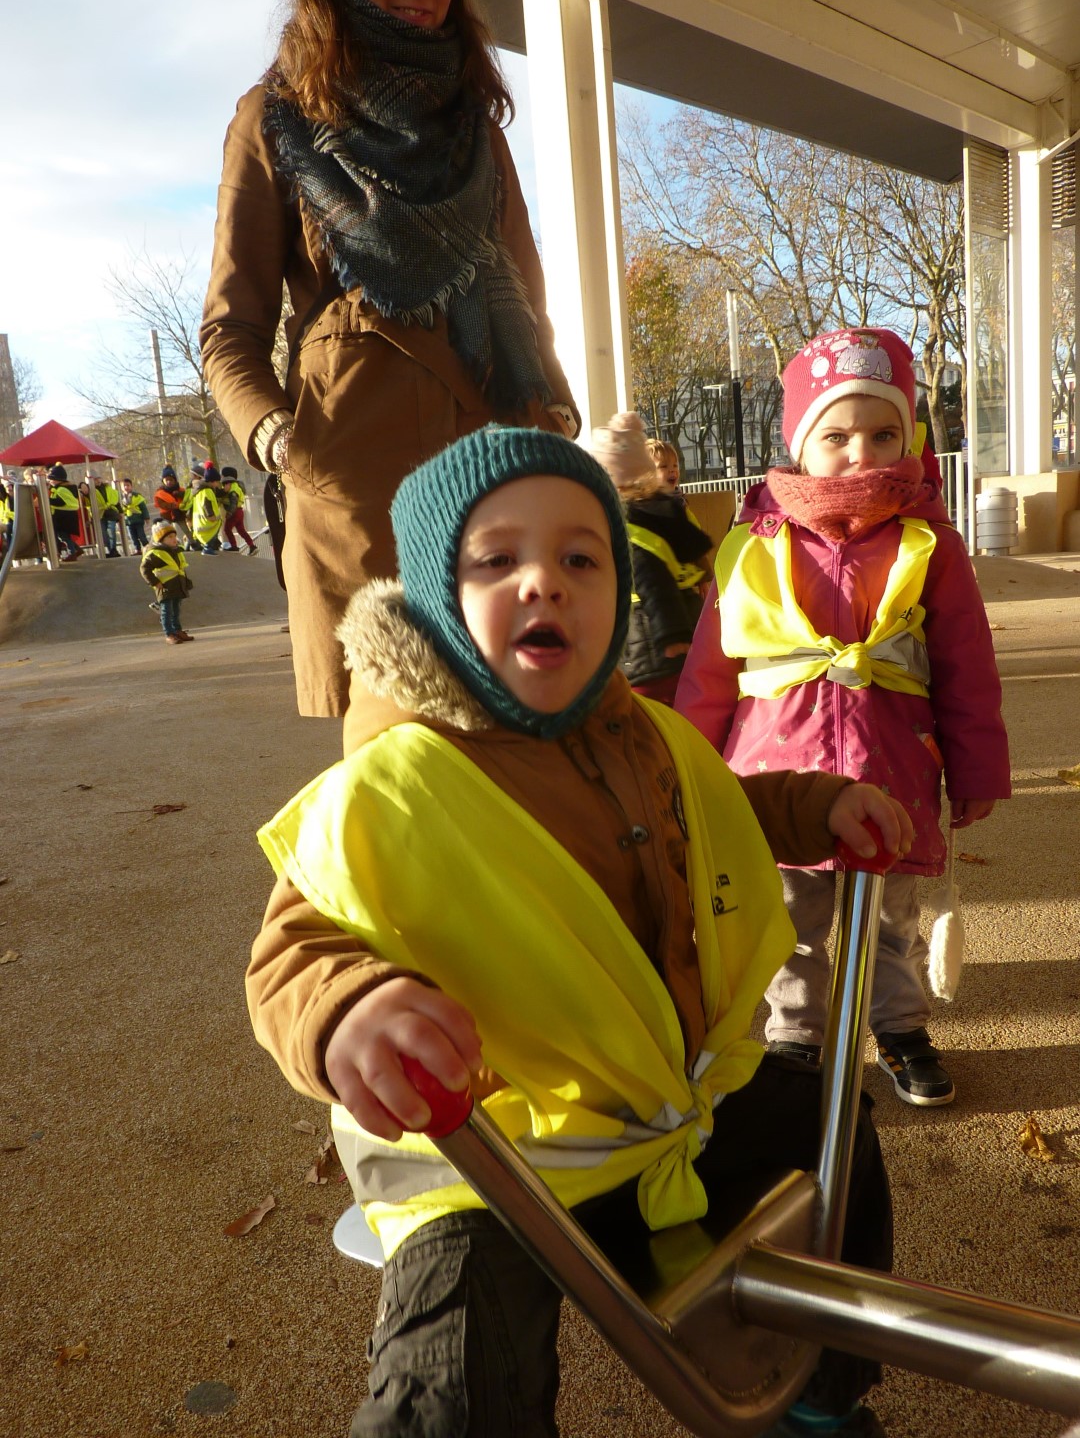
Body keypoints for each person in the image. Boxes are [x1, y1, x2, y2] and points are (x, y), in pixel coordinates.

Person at [248, 425, 910, 1438]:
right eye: (498, 559)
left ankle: (821, 1387)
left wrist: (814, 807)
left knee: (830, 1127)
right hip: (507, 1148)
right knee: (460, 1358)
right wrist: (353, 1012)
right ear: (436, 596)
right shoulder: (392, 784)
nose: (544, 583)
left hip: (665, 1099)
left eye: (579, 558)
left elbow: (714, 808)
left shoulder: (638, 728)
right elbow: (294, 950)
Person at [201, 0, 579, 721]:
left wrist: (556, 412)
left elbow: (528, 301)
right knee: (394, 759)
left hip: (495, 466)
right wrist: (283, 441)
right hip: (357, 482)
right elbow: (230, 328)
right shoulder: (274, 117)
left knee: (520, 737)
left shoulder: (474, 125)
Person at [675, 327, 1011, 1107]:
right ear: (799, 445)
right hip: (773, 768)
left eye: (883, 433)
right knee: (786, 918)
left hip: (891, 764)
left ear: (910, 437)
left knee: (892, 914)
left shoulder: (930, 543)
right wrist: (687, 772)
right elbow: (709, 672)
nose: (862, 452)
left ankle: (898, 1026)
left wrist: (977, 766)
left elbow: (964, 663)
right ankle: (799, 1038)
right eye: (837, 435)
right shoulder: (752, 546)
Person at [590, 411, 712, 705]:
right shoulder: (665, 510)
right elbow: (697, 557)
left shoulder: (628, 525)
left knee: (651, 712)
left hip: (652, 637)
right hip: (686, 620)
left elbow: (651, 580)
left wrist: (672, 634)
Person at [139, 522, 194, 644]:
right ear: (161, 539)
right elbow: (144, 569)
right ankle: (169, 634)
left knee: (176, 610)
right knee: (166, 611)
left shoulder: (176, 551)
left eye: (174, 536)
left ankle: (177, 631)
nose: (174, 539)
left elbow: (179, 568)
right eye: (170, 537)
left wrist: (185, 582)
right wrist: (155, 582)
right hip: (164, 586)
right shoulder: (155, 553)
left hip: (177, 585)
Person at [153, 466, 199, 551]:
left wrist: (178, 494)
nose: (169, 482)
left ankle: (193, 543)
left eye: (171, 480)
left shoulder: (181, 490)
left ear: (175, 480)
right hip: (167, 515)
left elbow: (186, 498)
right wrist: (171, 506)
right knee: (165, 531)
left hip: (179, 513)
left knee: (186, 530)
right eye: (166, 480)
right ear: (163, 481)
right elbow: (160, 503)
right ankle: (163, 545)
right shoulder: (160, 493)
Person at [47, 464, 82, 562]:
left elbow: (61, 502)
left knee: (62, 536)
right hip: (69, 515)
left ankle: (72, 552)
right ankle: (76, 549)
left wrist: (47, 500)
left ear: (57, 479)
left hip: (63, 516)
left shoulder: (61, 489)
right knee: (65, 535)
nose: (49, 481)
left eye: (51, 479)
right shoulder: (68, 487)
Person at [219, 466, 258, 554]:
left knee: (227, 529)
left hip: (234, 511)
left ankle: (234, 546)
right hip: (240, 511)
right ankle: (252, 546)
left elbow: (233, 502)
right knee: (241, 530)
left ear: (226, 477)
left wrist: (229, 512)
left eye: (222, 475)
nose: (221, 477)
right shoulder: (236, 486)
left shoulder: (232, 488)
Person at [190, 463, 225, 554]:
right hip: (207, 520)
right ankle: (207, 548)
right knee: (214, 530)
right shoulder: (207, 491)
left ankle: (210, 546)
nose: (217, 485)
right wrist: (211, 515)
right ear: (213, 481)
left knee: (211, 534)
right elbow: (206, 504)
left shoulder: (199, 490)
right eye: (217, 482)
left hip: (199, 522)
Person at [120, 479, 150, 554]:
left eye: (128, 485)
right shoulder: (120, 498)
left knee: (141, 535)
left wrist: (146, 518)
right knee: (133, 537)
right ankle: (138, 549)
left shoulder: (137, 496)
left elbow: (143, 508)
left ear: (131, 486)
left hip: (138, 519)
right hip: (128, 521)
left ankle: (147, 547)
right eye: (124, 486)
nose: (126, 487)